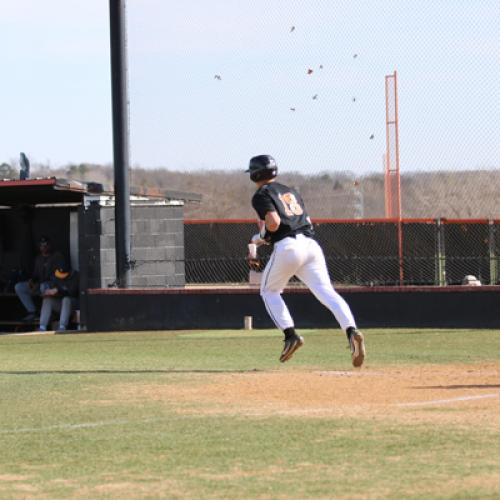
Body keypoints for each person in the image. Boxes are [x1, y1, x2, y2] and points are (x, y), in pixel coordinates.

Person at [246, 154, 366, 366]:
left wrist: (262, 237)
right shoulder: (291, 191)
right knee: (327, 292)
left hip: (288, 246)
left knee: (269, 291)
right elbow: (305, 220)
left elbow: (273, 223)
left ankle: (290, 335)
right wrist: (263, 236)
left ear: (255, 174)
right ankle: (351, 330)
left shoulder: (261, 194)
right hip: (311, 245)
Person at [14, 236, 65, 321]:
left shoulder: (57, 256)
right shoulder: (38, 258)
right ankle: (32, 312)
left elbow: (62, 273)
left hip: (53, 285)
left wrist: (46, 282)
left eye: (46, 245)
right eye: (42, 245)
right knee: (19, 287)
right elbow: (36, 275)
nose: (44, 247)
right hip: (40, 285)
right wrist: (32, 281)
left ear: (50, 245)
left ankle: (48, 313)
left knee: (43, 286)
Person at [39, 263, 79, 332]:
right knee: (47, 300)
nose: (60, 277)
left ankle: (62, 327)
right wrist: (48, 292)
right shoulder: (56, 275)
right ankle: (42, 327)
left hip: (74, 305)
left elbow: (72, 292)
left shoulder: (76, 276)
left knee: (66, 299)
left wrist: (58, 290)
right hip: (61, 304)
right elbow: (52, 285)